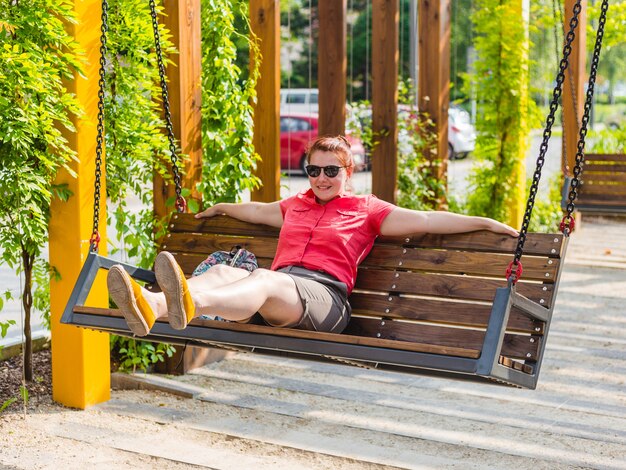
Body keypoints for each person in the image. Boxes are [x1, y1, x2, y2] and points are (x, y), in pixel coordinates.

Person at [107, 135, 518, 337]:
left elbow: (428, 220)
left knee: (264, 278)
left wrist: (484, 222)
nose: (321, 178)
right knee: (223, 276)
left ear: (348, 172)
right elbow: (257, 211)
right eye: (314, 170)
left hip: (327, 301)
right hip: (281, 297)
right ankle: (156, 304)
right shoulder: (295, 205)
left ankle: (175, 303)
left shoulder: (367, 211)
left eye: (331, 171)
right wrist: (223, 208)